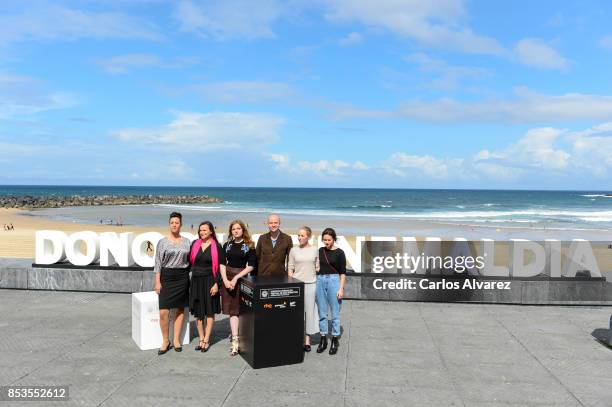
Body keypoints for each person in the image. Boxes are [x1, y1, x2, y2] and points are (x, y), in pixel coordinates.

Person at [154, 212, 191, 355]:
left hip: (182, 277)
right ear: (169, 224)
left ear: (181, 224)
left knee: (180, 309)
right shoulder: (162, 242)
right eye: (172, 222)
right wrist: (158, 282)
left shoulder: (187, 241)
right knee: (164, 311)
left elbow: (190, 261)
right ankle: (165, 340)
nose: (174, 225)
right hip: (166, 277)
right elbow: (157, 263)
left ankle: (176, 339)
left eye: (177, 222)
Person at [189, 221, 225, 352]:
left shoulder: (217, 247)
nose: (202, 232)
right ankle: (201, 338)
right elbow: (189, 262)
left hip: (210, 281)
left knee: (209, 312)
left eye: (205, 230)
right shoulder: (195, 244)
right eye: (200, 230)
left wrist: (217, 284)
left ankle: (206, 340)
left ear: (211, 231)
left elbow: (221, 268)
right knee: (198, 313)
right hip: (196, 282)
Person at [221, 220, 256, 356]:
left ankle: (244, 336)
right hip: (227, 278)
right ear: (231, 231)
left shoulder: (249, 245)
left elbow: (251, 265)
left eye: (238, 228)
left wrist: (236, 278)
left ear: (243, 230)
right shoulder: (227, 245)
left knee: (242, 309)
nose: (236, 231)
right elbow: (222, 263)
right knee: (232, 310)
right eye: (233, 229)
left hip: (242, 278)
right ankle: (235, 340)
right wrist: (225, 280)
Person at [288, 226, 319, 352]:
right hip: (297, 285)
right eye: (298, 235)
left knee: (309, 313)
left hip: (311, 284)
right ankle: (296, 338)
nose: (300, 238)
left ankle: (307, 341)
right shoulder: (293, 250)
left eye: (302, 235)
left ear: (309, 236)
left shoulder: (315, 250)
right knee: (296, 313)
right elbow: (290, 268)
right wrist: (291, 283)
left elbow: (317, 267)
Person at [316, 227, 346, 355]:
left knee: (335, 313)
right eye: (324, 240)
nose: (326, 242)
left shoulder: (340, 253)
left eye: (328, 240)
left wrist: (341, 288)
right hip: (320, 281)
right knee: (322, 312)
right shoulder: (320, 251)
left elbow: (343, 273)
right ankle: (323, 338)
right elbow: (317, 267)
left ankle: (334, 339)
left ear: (334, 239)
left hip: (334, 281)